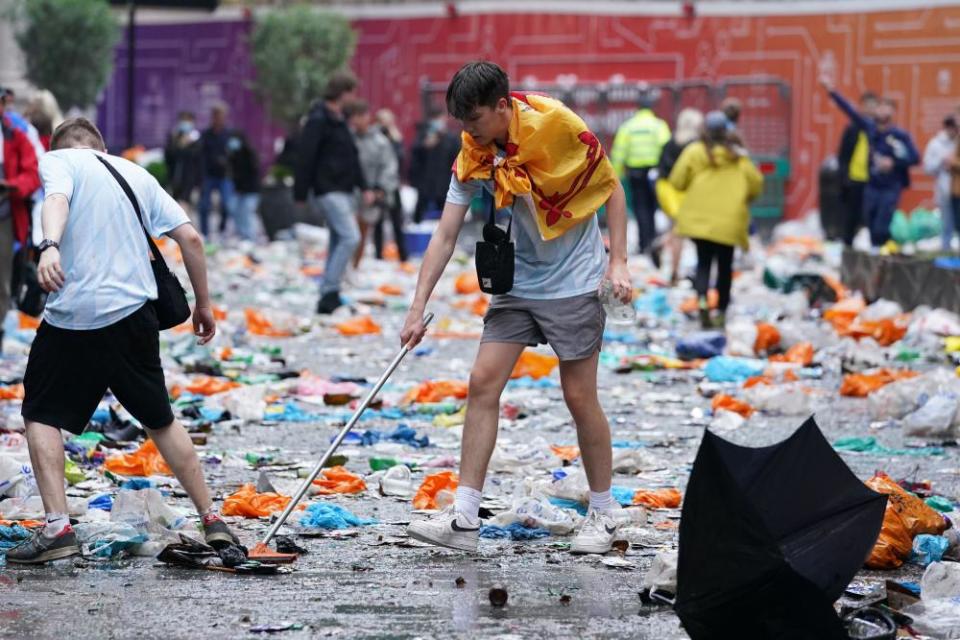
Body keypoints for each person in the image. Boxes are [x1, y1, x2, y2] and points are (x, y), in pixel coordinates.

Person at [400, 61, 633, 555]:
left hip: (574, 279)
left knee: (578, 396)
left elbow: (611, 188)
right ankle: (464, 516)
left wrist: (619, 264)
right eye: (463, 124)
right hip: (517, 280)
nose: (470, 132)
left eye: (477, 120)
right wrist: (416, 307)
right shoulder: (474, 153)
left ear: (504, 107)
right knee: (483, 382)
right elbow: (445, 235)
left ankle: (604, 509)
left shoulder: (559, 126)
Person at [5, 118, 238, 564]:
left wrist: (50, 245)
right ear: (103, 147)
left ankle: (58, 529)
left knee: (40, 413)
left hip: (75, 318)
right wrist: (203, 304)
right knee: (160, 419)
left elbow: (55, 200)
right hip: (135, 316)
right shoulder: (135, 173)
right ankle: (212, 519)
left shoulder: (58, 161)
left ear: (59, 149)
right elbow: (190, 237)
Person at [669, 111, 763, 329]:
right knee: (724, 266)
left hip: (699, 220)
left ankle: (702, 302)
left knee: (703, 263)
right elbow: (756, 185)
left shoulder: (694, 151)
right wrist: (742, 196)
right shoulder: (739, 156)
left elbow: (677, 181)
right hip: (729, 222)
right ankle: (720, 311)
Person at [294, 70, 373, 314]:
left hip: (342, 189)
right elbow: (306, 157)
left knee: (339, 238)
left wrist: (364, 186)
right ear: (343, 92)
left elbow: (352, 157)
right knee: (351, 237)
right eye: (352, 92)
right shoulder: (319, 120)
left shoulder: (338, 120)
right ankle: (329, 290)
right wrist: (300, 192)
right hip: (328, 188)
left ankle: (330, 294)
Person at [821, 77, 920, 248]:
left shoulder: (900, 136)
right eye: (881, 107)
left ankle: (881, 252)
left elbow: (915, 158)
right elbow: (850, 111)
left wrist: (893, 163)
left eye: (887, 108)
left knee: (882, 225)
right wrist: (832, 91)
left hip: (890, 186)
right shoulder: (870, 129)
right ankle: (874, 252)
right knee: (869, 221)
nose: (883, 112)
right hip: (872, 184)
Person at [610, 85, 671, 259]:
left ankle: (644, 243)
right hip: (654, 173)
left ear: (638, 108)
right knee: (653, 207)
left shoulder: (628, 127)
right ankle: (653, 241)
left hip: (635, 173)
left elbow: (619, 152)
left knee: (640, 208)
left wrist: (617, 174)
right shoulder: (659, 125)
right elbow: (665, 148)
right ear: (651, 108)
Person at [0, 94, 40, 349]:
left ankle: (1, 326)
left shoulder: (16, 135)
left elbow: (33, 172)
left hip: (4, 214)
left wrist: (11, 186)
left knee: (2, 277)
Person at [345, 100, 399, 271]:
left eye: (361, 116)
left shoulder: (380, 142)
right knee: (347, 233)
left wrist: (380, 191)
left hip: (370, 195)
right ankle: (344, 268)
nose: (358, 121)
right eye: (355, 117)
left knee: (361, 234)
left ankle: (354, 267)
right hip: (348, 194)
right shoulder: (347, 138)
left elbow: (389, 167)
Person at [655, 108, 704, 284]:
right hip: (684, 192)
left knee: (676, 229)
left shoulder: (669, 142)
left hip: (666, 190)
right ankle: (674, 272)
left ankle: (662, 246)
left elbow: (660, 167)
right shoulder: (695, 145)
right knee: (681, 232)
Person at [836, 92, 879, 246]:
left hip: (872, 181)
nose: (870, 110)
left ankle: (870, 249)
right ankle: (848, 246)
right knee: (850, 217)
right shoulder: (853, 128)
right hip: (854, 179)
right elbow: (843, 154)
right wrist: (844, 176)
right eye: (867, 106)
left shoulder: (877, 130)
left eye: (873, 107)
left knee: (870, 217)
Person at [410, 107, 461, 223]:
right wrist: (425, 145)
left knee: (445, 213)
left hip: (444, 181)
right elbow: (414, 156)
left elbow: (457, 156)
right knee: (420, 210)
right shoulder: (423, 135)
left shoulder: (450, 137)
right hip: (425, 181)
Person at [373, 108, 409, 262]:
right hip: (378, 184)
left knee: (397, 220)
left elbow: (400, 158)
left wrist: (394, 138)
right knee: (378, 221)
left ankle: (403, 254)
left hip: (392, 184)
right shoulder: (373, 137)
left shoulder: (395, 136)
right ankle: (378, 254)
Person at [198, 102, 235, 238]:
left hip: (224, 175)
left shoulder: (229, 134)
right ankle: (205, 233)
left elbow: (234, 154)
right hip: (208, 175)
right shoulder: (206, 135)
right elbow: (200, 155)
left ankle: (222, 229)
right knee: (204, 206)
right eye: (215, 115)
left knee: (226, 205)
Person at [923, 116, 958, 251]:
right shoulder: (935, 143)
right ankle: (946, 248)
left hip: (958, 186)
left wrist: (954, 163)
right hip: (944, 188)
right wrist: (942, 161)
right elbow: (928, 167)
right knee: (947, 221)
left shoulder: (958, 142)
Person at [164, 111, 203, 212]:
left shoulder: (195, 137)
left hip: (189, 176)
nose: (185, 123)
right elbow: (169, 155)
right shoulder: (174, 136)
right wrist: (177, 143)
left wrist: (185, 146)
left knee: (184, 202)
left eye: (187, 120)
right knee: (175, 201)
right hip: (175, 175)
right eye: (183, 120)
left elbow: (196, 156)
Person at [226, 131, 261, 243]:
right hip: (240, 191)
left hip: (251, 190)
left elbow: (252, 173)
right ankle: (243, 236)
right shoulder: (234, 155)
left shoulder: (249, 154)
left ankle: (251, 238)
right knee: (237, 213)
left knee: (247, 214)